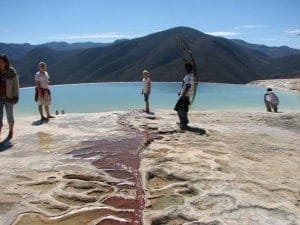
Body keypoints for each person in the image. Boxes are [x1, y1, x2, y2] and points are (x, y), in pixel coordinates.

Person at [0, 54, 20, 139]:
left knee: (9, 115)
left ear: (5, 62)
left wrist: (16, 96)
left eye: (1, 62)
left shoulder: (11, 71)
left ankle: (11, 130)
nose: (0, 64)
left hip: (9, 97)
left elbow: (16, 85)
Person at [174, 62, 195, 129]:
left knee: (179, 108)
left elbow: (188, 86)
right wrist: (181, 91)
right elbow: (185, 85)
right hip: (185, 94)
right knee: (183, 108)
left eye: (185, 67)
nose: (184, 68)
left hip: (185, 95)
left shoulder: (189, 77)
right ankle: (184, 122)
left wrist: (183, 95)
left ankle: (183, 123)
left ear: (186, 68)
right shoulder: (189, 75)